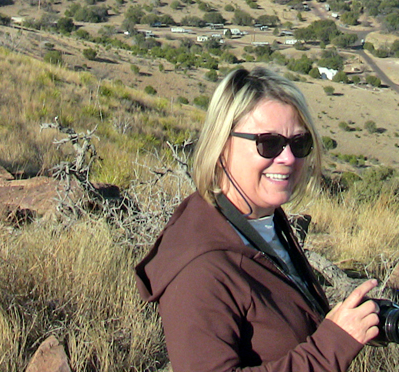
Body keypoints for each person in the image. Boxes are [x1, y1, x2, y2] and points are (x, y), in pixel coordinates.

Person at [135, 65, 380, 372]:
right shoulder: (202, 268)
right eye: (269, 143)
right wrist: (332, 345)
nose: (288, 158)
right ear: (222, 145)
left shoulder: (265, 225)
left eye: (299, 143)